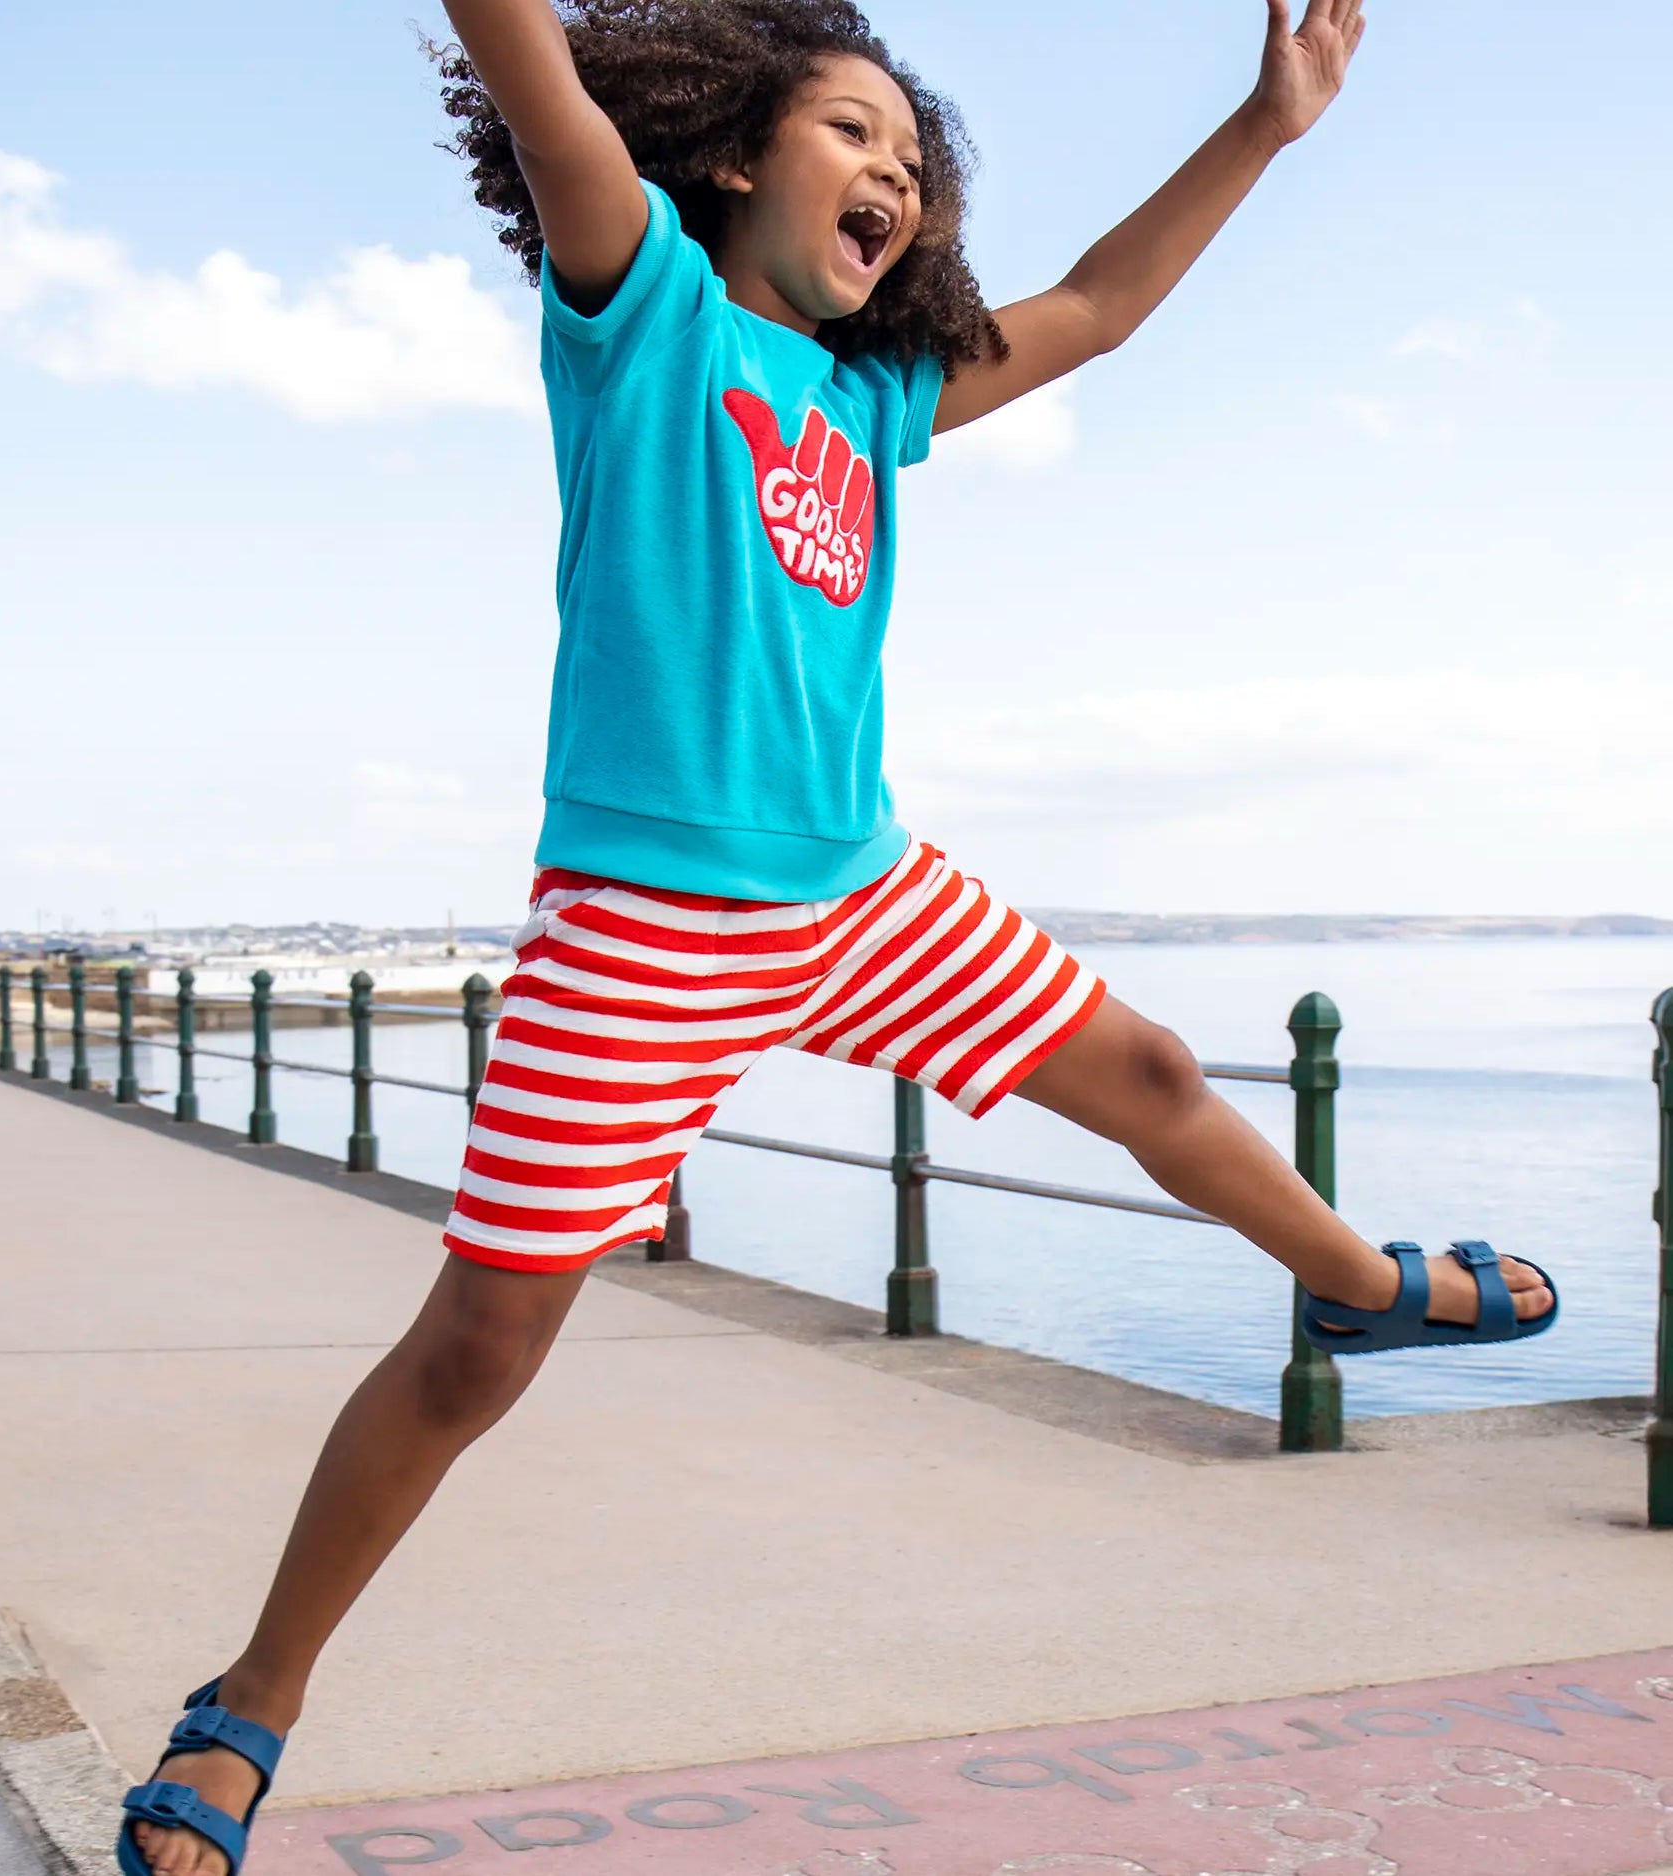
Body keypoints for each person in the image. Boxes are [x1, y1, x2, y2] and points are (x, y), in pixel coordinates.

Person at [119, 3, 1558, 1871]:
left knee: (1153, 1075)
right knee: (480, 1347)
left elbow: (1102, 306)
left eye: (914, 162)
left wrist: (1265, 122)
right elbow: (538, 84)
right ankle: (256, 1695)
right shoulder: (641, 311)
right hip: (641, 925)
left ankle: (1350, 1286)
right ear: (725, 155)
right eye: (856, 131)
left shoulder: (880, 400)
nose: (894, 174)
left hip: (859, 893)